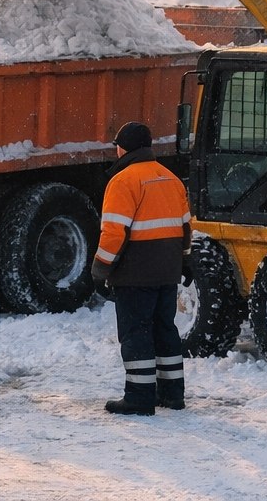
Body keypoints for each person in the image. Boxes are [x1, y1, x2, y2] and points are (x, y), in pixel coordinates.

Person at [91, 121, 192, 416]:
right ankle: (172, 394)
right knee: (165, 329)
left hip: (136, 271)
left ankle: (139, 396)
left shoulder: (123, 181)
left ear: (123, 148)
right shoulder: (170, 178)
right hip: (168, 269)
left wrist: (100, 270)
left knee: (136, 332)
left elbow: (113, 233)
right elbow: (186, 226)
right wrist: (185, 259)